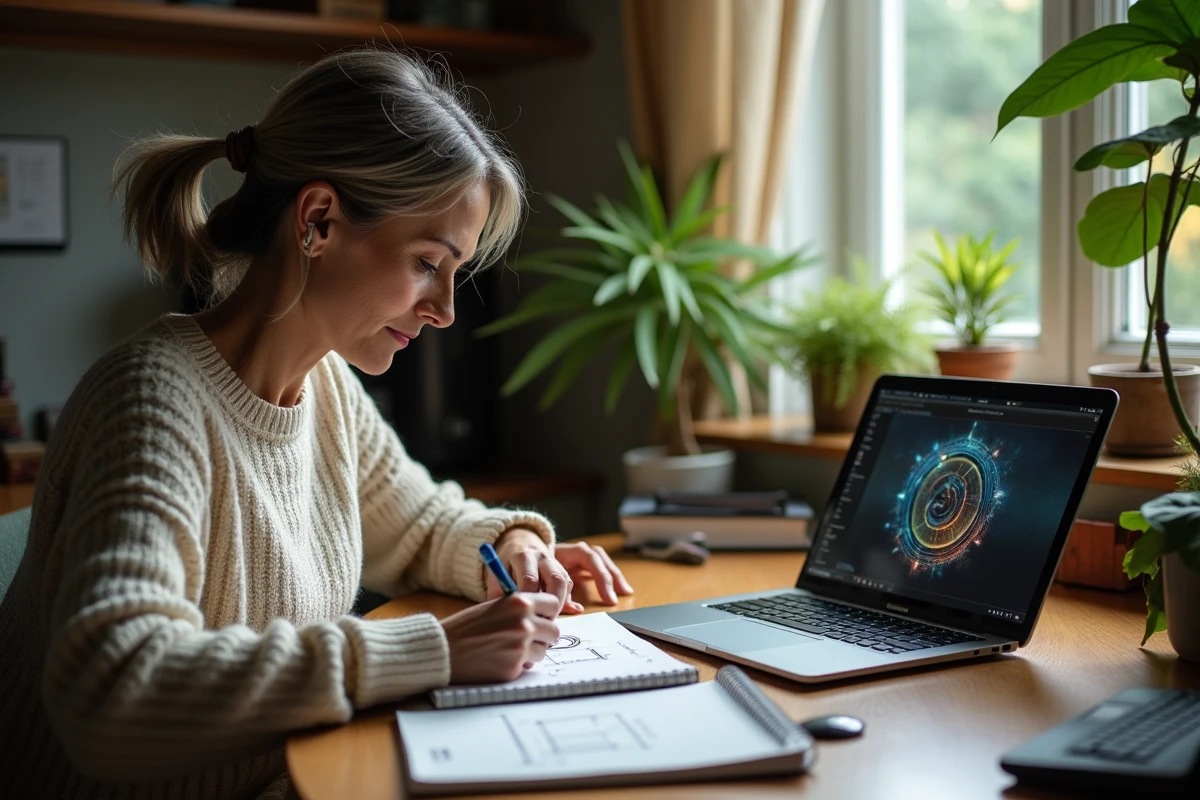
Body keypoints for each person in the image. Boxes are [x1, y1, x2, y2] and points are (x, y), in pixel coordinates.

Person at [0, 47, 634, 800]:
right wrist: (427, 651)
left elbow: (422, 524)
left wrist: (513, 543)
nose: (445, 310)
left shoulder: (322, 383)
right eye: (429, 262)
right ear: (320, 221)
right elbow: (112, 694)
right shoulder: (152, 401)